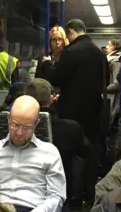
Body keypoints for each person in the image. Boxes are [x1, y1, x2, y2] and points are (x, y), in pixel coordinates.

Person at [40, 19, 108, 202]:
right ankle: (90, 192)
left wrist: (46, 64)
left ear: (70, 32)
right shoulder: (99, 54)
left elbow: (57, 79)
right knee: (92, 152)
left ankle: (74, 195)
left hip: (72, 112)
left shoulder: (70, 53)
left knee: (74, 154)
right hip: (95, 111)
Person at [26, 78, 86, 204]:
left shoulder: (14, 127)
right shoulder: (71, 128)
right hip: (62, 191)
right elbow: (82, 158)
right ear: (52, 99)